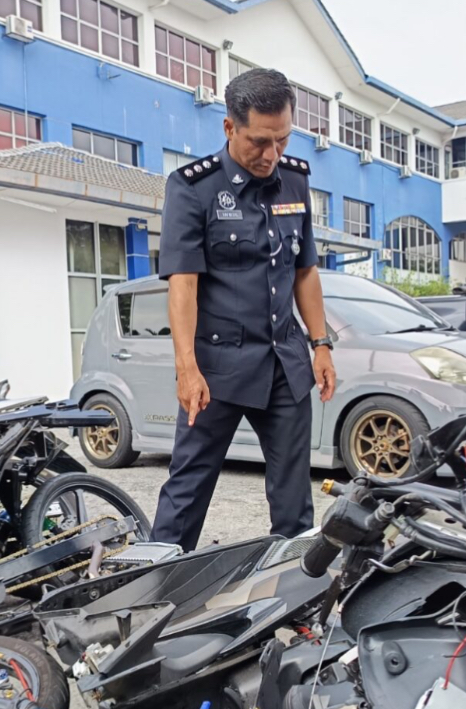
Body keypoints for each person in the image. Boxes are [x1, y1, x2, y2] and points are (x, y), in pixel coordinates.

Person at [152, 68, 337, 552]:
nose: (272, 154)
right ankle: (154, 586)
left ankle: (293, 592)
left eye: (282, 139)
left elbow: (305, 270)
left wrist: (321, 344)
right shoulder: (193, 188)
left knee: (295, 506)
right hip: (217, 370)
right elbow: (183, 284)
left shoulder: (294, 181)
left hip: (285, 364)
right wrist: (186, 369)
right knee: (186, 491)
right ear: (230, 127)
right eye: (260, 142)